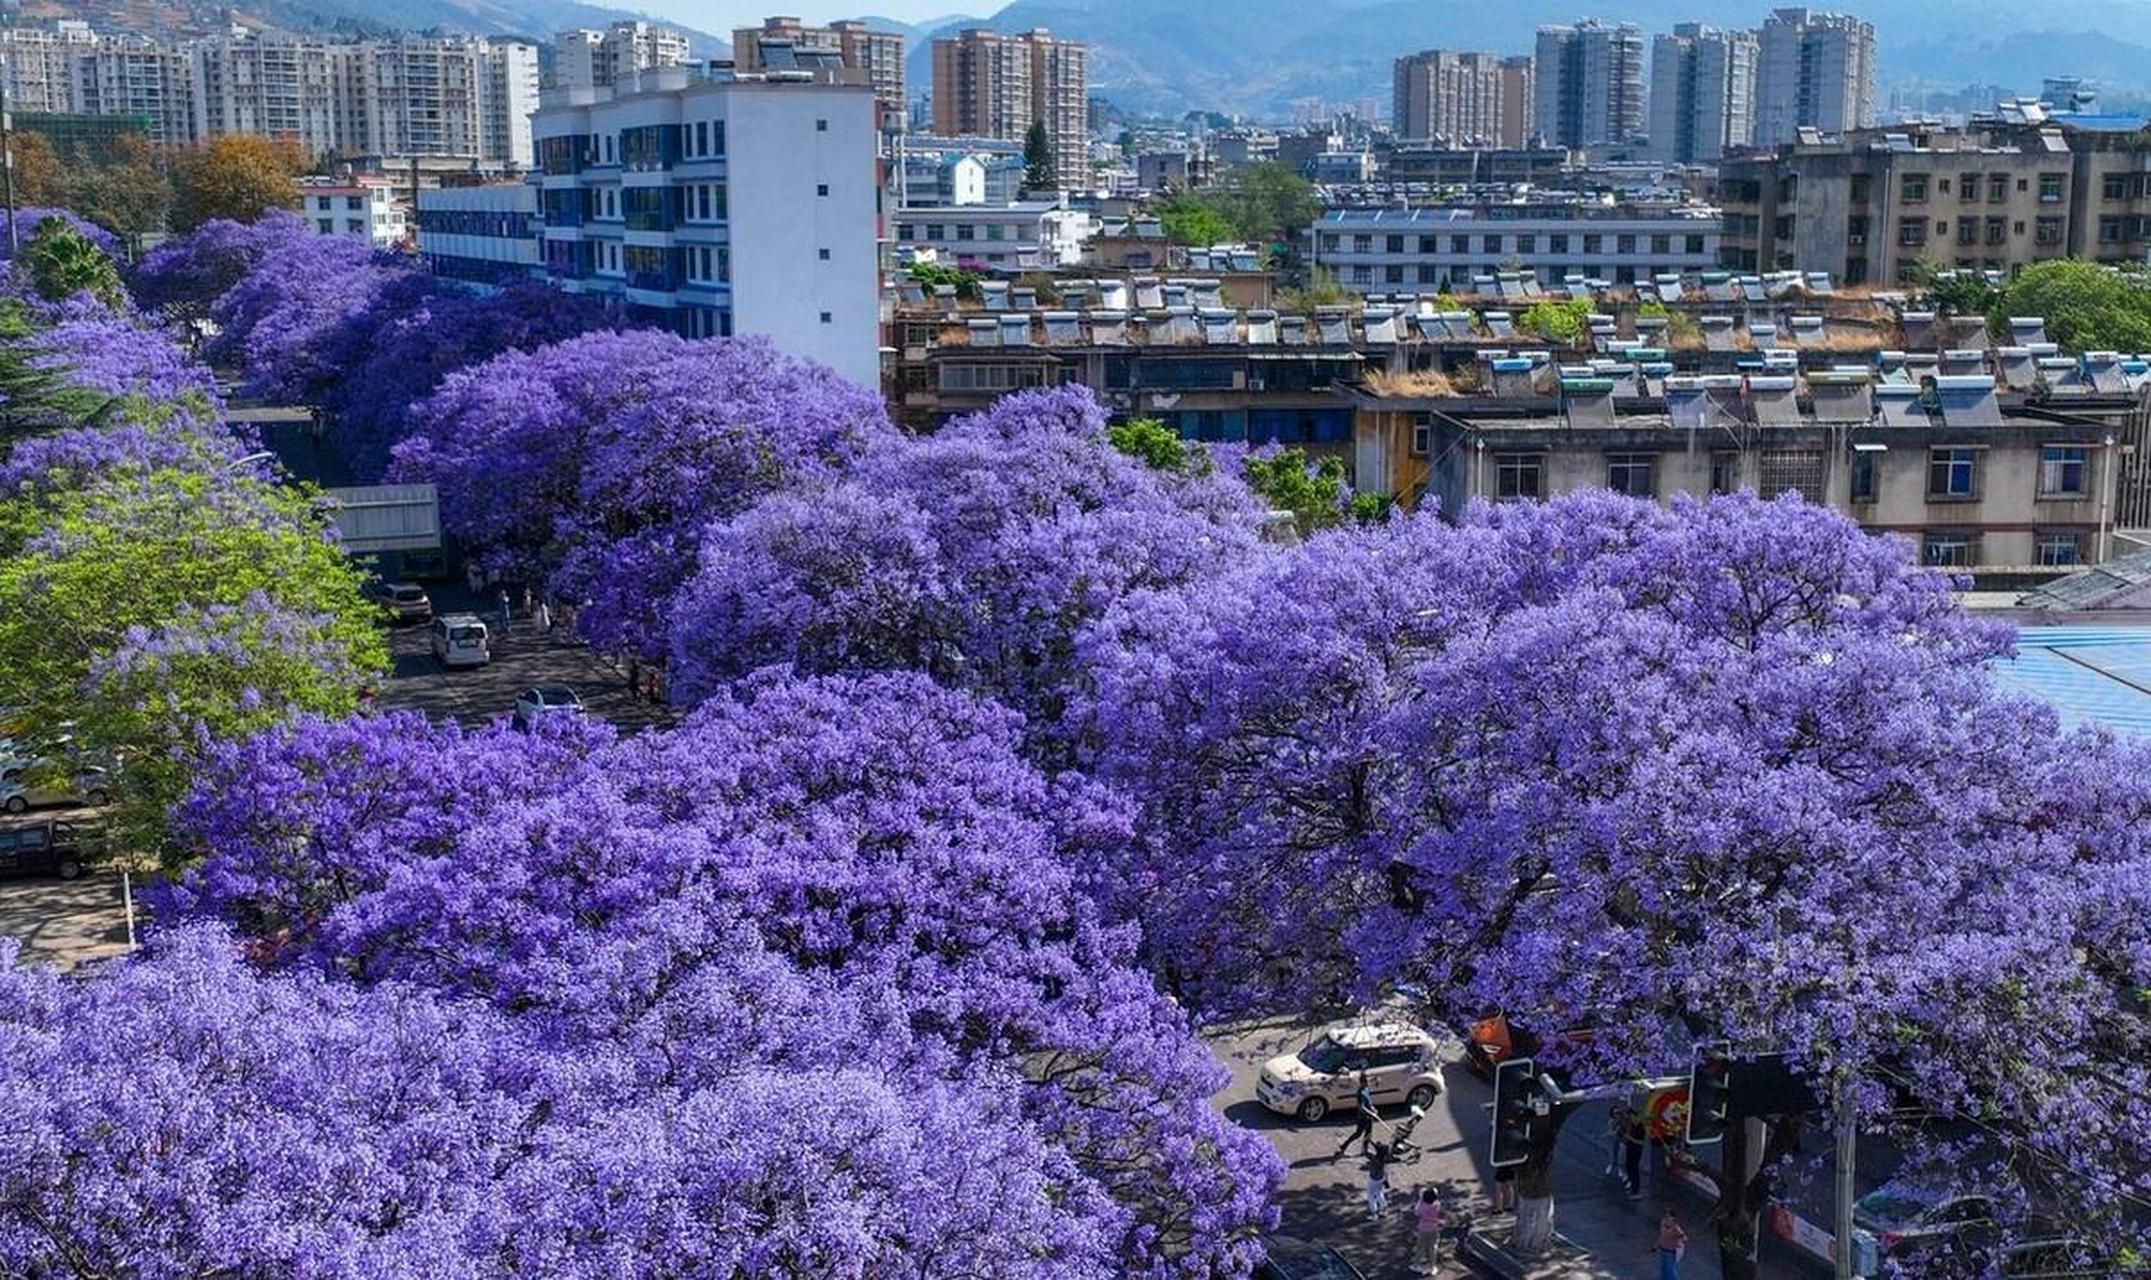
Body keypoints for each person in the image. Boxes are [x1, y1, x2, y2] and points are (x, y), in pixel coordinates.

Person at [1336, 1071, 1378, 1158]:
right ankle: (1343, 1146)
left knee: (1369, 1133)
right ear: (1362, 1083)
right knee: (1358, 1134)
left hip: (1369, 1116)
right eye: (1366, 1082)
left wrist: (1373, 1108)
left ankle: (1364, 1149)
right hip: (1363, 1117)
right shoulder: (1360, 1093)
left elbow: (1369, 1102)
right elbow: (1361, 1108)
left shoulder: (1366, 1088)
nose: (1367, 1084)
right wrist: (1371, 1113)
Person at [1412, 1187, 1444, 1274]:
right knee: (1433, 1247)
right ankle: (1432, 1266)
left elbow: (1416, 1212)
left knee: (1420, 1247)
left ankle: (1416, 1264)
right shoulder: (1437, 1204)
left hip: (1423, 1229)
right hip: (1434, 1228)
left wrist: (1420, 1198)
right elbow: (1435, 1193)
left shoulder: (1422, 1207)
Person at [1621, 1101, 1649, 1197]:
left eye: (1631, 1117)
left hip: (1636, 1150)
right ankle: (1632, 1187)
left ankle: (1636, 1190)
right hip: (1630, 1149)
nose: (1630, 1119)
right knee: (1629, 1167)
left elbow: (1641, 1142)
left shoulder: (1640, 1127)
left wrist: (1630, 1138)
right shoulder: (1631, 1126)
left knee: (1634, 1169)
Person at [1655, 1208, 1687, 1280]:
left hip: (1670, 1252)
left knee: (1670, 1272)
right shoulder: (1663, 1224)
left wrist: (1678, 1243)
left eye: (1669, 1216)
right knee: (1663, 1270)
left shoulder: (1676, 1228)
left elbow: (1684, 1238)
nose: (1667, 1218)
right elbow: (1662, 1235)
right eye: (1666, 1216)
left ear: (1673, 1218)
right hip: (1662, 1250)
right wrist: (1656, 1245)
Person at [1363, 1141, 1390, 1219]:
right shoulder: (1383, 1161)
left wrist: (1367, 1141)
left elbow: (1365, 1151)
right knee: (1379, 1193)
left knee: (1371, 1196)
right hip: (1381, 1179)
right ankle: (1384, 1209)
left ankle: (1374, 1213)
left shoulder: (1373, 1158)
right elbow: (1386, 1171)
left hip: (1372, 1180)